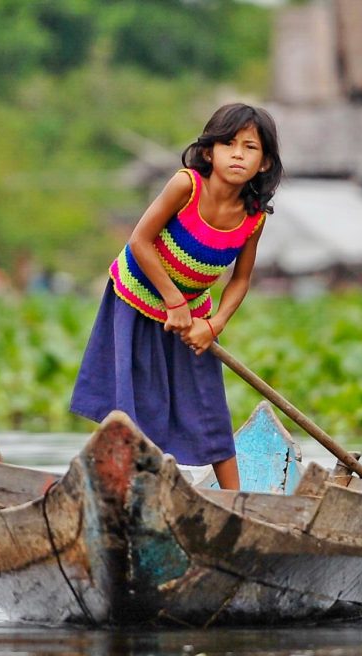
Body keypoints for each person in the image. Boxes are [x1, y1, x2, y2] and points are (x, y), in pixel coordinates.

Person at [70, 103, 282, 489]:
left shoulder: (254, 218)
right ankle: (121, 490)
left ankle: (237, 504)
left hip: (193, 312)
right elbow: (140, 241)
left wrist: (214, 324)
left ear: (264, 163)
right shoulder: (187, 185)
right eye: (228, 144)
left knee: (208, 404)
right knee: (132, 404)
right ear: (208, 152)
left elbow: (240, 280)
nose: (238, 154)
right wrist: (173, 301)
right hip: (137, 297)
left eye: (250, 148)